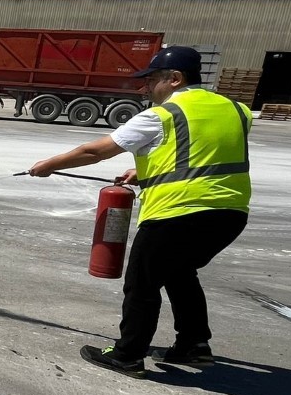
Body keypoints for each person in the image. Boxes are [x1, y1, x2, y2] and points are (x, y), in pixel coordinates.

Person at [26, 46, 252, 375]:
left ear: (174, 79)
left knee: (142, 284)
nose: (145, 88)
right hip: (230, 213)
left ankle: (127, 354)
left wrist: (49, 165)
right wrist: (143, 172)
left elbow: (95, 152)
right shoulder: (237, 109)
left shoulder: (162, 115)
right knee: (180, 272)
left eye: (152, 80)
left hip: (178, 212)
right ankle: (193, 345)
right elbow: (205, 150)